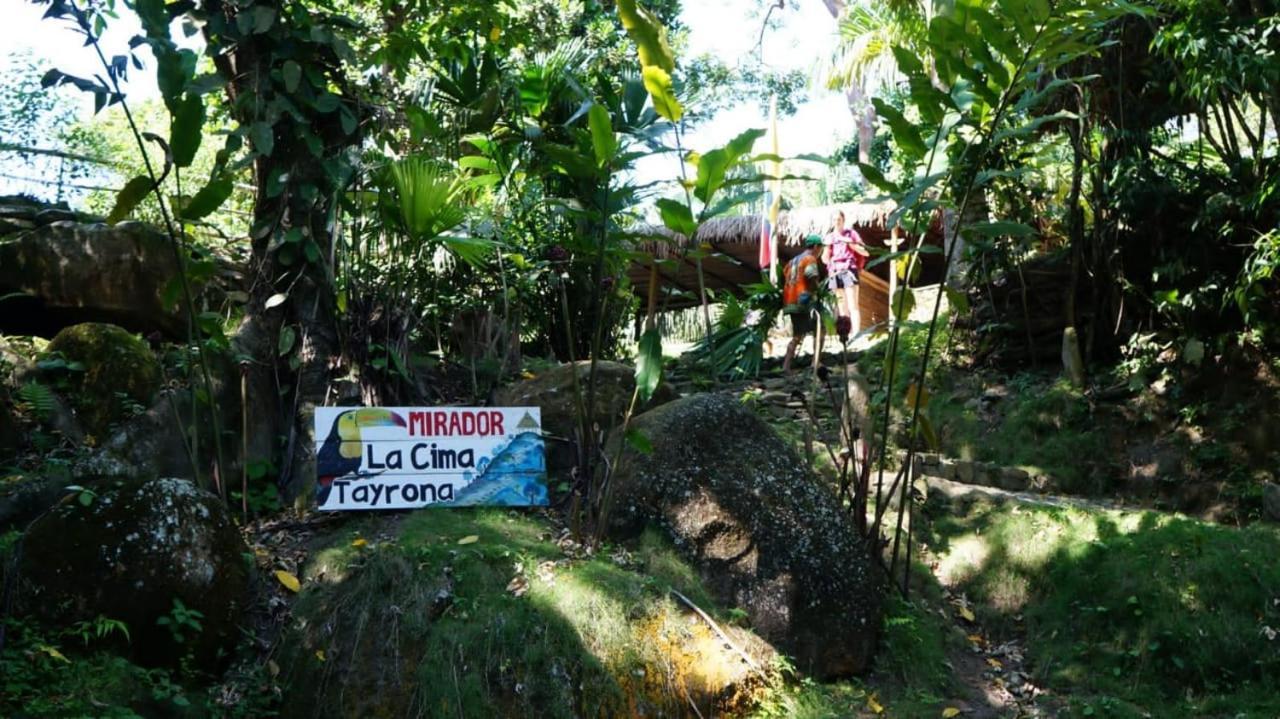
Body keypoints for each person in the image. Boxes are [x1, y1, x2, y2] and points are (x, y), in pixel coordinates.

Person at [782, 234, 825, 374]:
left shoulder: (792, 261)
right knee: (820, 330)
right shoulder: (810, 259)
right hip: (804, 301)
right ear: (816, 247)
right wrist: (818, 290)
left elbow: (786, 274)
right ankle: (815, 362)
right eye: (820, 248)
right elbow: (811, 276)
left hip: (790, 302)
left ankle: (786, 366)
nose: (820, 252)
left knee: (797, 334)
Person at [822, 210, 870, 335]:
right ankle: (845, 334)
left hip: (849, 269)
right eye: (835, 220)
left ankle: (856, 333)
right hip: (834, 271)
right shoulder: (829, 237)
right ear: (832, 222)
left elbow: (865, 252)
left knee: (852, 304)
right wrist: (827, 248)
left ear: (843, 221)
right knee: (841, 306)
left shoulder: (851, 234)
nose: (837, 222)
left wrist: (849, 243)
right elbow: (824, 259)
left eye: (839, 219)